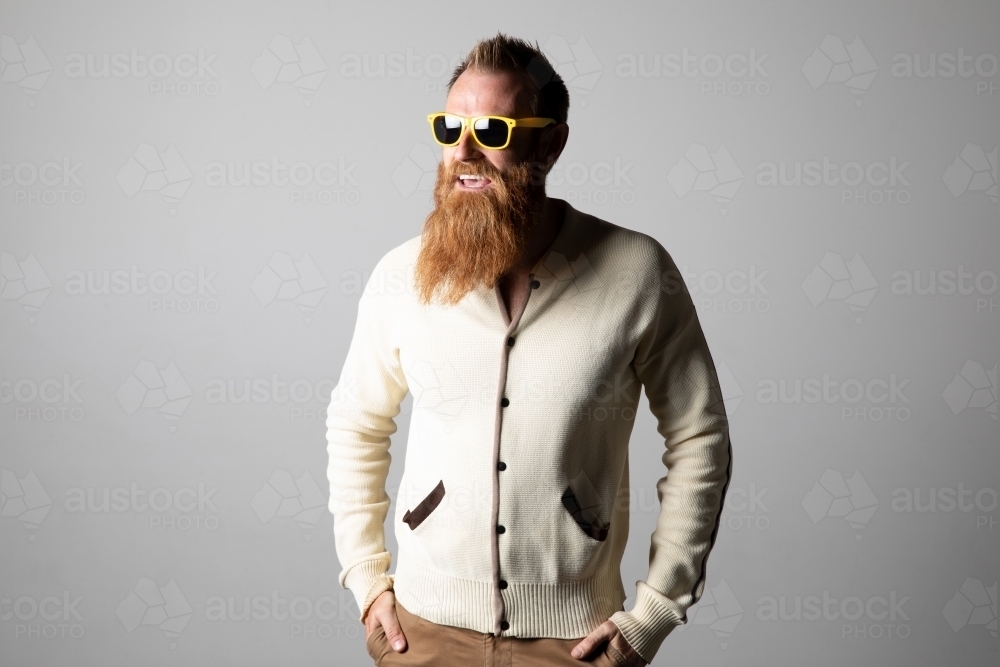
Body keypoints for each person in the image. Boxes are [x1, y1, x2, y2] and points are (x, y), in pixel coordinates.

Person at [326, 32, 733, 667]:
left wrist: (655, 611)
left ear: (551, 142)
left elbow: (699, 437)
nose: (463, 150)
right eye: (449, 126)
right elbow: (356, 421)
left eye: (492, 130)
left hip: (575, 643)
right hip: (423, 632)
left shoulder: (637, 272)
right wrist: (365, 576)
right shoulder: (401, 276)